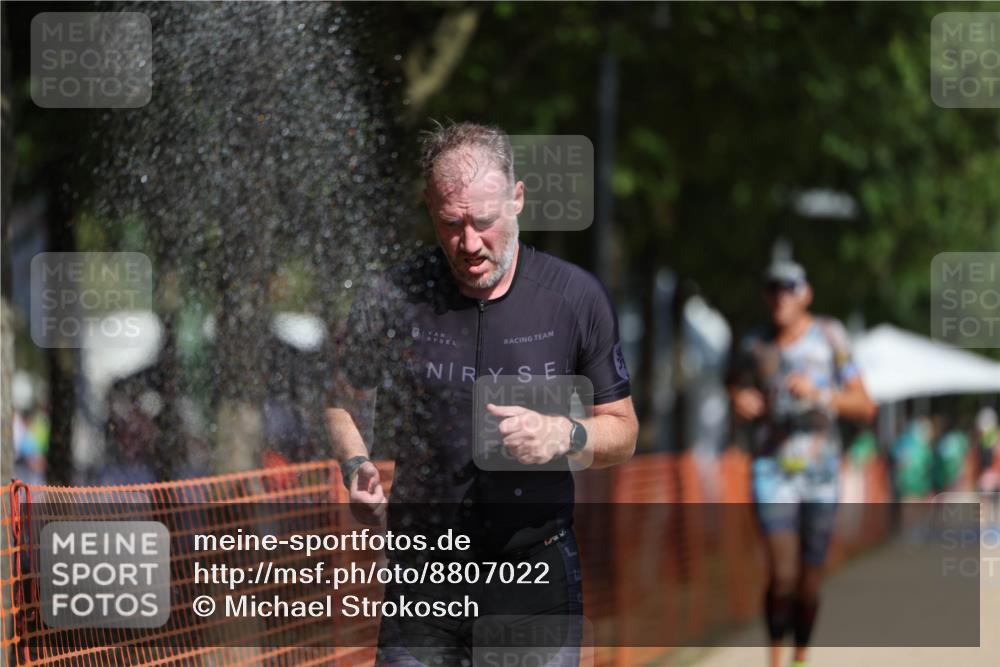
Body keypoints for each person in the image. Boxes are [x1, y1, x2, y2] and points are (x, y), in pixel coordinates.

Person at [326, 121, 638, 666]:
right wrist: (356, 466)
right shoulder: (394, 297)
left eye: (485, 222)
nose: (469, 244)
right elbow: (338, 400)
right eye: (451, 224)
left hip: (534, 575)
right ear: (429, 208)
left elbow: (625, 431)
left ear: (516, 199)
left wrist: (565, 434)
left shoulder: (573, 298)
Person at [727, 259, 875, 667]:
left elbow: (865, 405)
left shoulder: (830, 336)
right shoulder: (754, 342)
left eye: (789, 289)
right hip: (772, 470)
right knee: (783, 571)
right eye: (773, 289)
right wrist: (738, 399)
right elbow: (733, 384)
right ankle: (776, 659)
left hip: (821, 473)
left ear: (805, 294)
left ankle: (801, 656)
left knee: (809, 581)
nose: (780, 297)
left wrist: (820, 395)